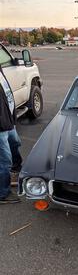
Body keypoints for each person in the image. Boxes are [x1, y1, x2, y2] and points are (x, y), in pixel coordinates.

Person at [0, 66, 22, 204]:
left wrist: (12, 117)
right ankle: (3, 193)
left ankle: (15, 171)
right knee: (4, 160)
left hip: (8, 119)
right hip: (1, 125)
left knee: (15, 143)